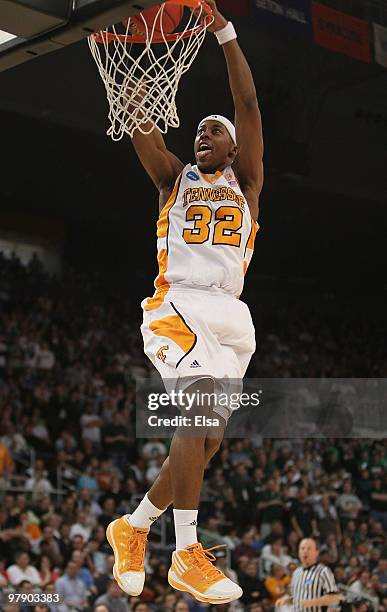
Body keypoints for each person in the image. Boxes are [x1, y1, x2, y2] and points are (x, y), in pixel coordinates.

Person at [106, 0, 263, 607]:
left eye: (214, 131)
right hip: (179, 304)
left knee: (208, 442)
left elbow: (247, 106)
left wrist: (223, 29)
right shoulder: (174, 180)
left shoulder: (247, 184)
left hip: (233, 318)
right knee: (195, 420)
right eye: (198, 129)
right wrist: (132, 55)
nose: (203, 134)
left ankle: (135, 525)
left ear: (231, 147)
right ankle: (187, 552)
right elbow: (139, 118)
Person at [275, 538, 344, 611]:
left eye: (309, 548)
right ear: (298, 552)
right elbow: (295, 597)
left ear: (316, 552)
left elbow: (334, 598)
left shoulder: (323, 571)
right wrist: (285, 600)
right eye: (302, 548)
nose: (305, 551)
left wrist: (312, 602)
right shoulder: (296, 573)